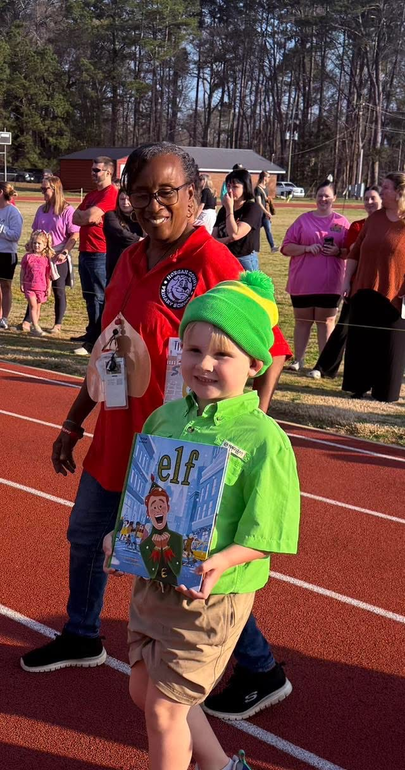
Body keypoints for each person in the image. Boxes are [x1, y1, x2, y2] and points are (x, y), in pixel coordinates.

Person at [21, 142, 293, 721]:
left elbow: (271, 353)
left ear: (194, 197)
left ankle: (262, 667)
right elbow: (110, 349)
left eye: (167, 192)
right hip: (120, 437)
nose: (152, 204)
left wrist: (246, 427)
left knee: (183, 569)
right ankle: (82, 634)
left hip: (180, 454)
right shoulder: (128, 260)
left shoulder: (212, 262)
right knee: (88, 534)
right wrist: (75, 419)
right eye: (141, 192)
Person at [97, 271, 300, 770]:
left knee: (164, 705)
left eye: (223, 354)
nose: (205, 363)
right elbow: (143, 495)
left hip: (213, 598)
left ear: (256, 364)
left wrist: (225, 560)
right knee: (145, 690)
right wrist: (122, 532)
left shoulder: (263, 438)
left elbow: (269, 536)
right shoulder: (163, 423)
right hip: (154, 583)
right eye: (193, 349)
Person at [341, 173, 405, 402]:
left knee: (389, 342)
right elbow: (355, 251)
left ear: (399, 192)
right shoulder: (375, 218)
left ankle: (385, 390)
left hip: (395, 293)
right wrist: (347, 280)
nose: (382, 191)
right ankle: (357, 385)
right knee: (361, 340)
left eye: (386, 187)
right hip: (364, 288)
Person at [307, 185, 382, 379]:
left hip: (385, 286)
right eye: (366, 199)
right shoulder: (358, 226)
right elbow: (350, 253)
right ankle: (324, 368)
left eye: (373, 198)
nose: (369, 202)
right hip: (359, 283)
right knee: (344, 327)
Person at [280, 180, 349, 371]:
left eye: (327, 195)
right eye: (320, 195)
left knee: (325, 322)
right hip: (302, 282)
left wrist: (337, 251)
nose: (323, 199)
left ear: (334, 198)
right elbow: (286, 247)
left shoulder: (341, 223)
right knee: (302, 321)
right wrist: (306, 248)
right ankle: (298, 360)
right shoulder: (302, 220)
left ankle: (322, 365)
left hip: (330, 283)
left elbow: (351, 252)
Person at [20, 176, 79, 335]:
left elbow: (74, 235)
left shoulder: (67, 210)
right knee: (34, 287)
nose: (42, 192)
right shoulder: (42, 209)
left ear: (55, 189)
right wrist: (31, 243)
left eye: (45, 189)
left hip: (58, 255)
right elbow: (35, 231)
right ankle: (28, 321)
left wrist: (65, 252)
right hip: (40, 257)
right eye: (41, 189)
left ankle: (57, 324)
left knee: (58, 290)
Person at [71, 156, 117, 356]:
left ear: (108, 172)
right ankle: (91, 332)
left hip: (100, 252)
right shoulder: (91, 195)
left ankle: (96, 340)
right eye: (92, 169)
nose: (93, 173)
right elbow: (75, 217)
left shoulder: (111, 194)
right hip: (85, 251)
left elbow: (88, 216)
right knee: (89, 296)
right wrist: (87, 217)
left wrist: (88, 217)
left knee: (99, 296)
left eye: (97, 170)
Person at [213, 167, 262, 271]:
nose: (230, 190)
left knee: (247, 287)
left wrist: (230, 209)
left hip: (244, 259)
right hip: (225, 257)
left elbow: (235, 234)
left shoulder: (252, 208)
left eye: (235, 187)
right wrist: (227, 240)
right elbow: (213, 239)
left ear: (245, 188)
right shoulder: (223, 210)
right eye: (228, 186)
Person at [103, 187, 142, 283]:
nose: (125, 203)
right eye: (122, 199)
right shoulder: (111, 216)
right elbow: (121, 234)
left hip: (136, 266)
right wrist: (140, 240)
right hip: (116, 266)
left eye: (128, 199)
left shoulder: (141, 218)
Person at [19, 230, 54, 335]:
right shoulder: (27, 257)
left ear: (44, 245)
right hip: (29, 286)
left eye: (39, 243)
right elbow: (23, 271)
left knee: (38, 307)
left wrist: (49, 287)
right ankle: (36, 326)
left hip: (41, 287)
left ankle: (35, 325)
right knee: (33, 306)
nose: (36, 245)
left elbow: (48, 275)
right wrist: (21, 282)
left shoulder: (46, 259)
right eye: (34, 243)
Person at [0, 182, 23, 329]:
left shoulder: (13, 212)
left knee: (5, 285)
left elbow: (16, 235)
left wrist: (1, 228)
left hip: (7, 254)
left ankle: (5, 318)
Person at [254, 171, 278, 253]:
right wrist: (266, 212)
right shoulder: (257, 189)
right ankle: (254, 247)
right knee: (255, 231)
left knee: (268, 230)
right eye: (268, 177)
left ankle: (273, 247)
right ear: (264, 178)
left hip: (265, 214)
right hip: (259, 214)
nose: (269, 179)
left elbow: (265, 201)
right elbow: (259, 202)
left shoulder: (265, 189)